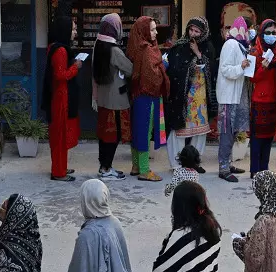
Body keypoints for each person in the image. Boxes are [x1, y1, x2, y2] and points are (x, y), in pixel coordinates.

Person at [165, 17, 218, 173]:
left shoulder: (208, 46)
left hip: (200, 96)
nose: (193, 34)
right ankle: (176, 164)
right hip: (183, 96)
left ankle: (194, 162)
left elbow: (211, 69)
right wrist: (189, 68)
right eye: (191, 30)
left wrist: (197, 53)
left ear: (203, 32)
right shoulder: (179, 46)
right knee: (180, 130)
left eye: (197, 31)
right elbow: (173, 70)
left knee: (199, 130)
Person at [127, 16, 170, 182]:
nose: (156, 32)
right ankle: (145, 170)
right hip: (147, 96)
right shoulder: (146, 50)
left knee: (138, 130)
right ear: (144, 31)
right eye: (152, 29)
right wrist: (164, 65)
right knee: (145, 132)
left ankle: (136, 165)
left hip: (137, 95)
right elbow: (152, 77)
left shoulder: (136, 46)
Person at [42, 16, 82, 182]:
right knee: (59, 135)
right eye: (72, 29)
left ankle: (60, 167)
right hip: (60, 97)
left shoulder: (55, 47)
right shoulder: (61, 51)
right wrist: (75, 67)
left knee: (60, 134)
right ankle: (58, 172)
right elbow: (60, 75)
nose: (74, 33)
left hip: (59, 96)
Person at [92, 13, 131, 181]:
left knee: (104, 135)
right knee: (112, 137)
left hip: (102, 99)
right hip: (115, 100)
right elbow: (130, 69)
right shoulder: (114, 50)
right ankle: (106, 168)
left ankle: (103, 166)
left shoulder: (98, 45)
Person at [216, 16, 251, 183]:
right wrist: (241, 67)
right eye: (248, 29)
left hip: (237, 95)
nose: (249, 32)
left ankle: (228, 163)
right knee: (226, 132)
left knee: (234, 130)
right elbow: (225, 69)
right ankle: (223, 168)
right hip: (228, 96)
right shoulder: (230, 44)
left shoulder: (241, 45)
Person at [248, 19, 276, 178]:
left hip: (274, 101)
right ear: (261, 34)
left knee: (268, 138)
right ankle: (255, 171)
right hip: (259, 101)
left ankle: (264, 169)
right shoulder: (254, 51)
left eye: (274, 33)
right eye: (267, 33)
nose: (271, 36)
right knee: (257, 138)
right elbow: (251, 78)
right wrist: (264, 67)